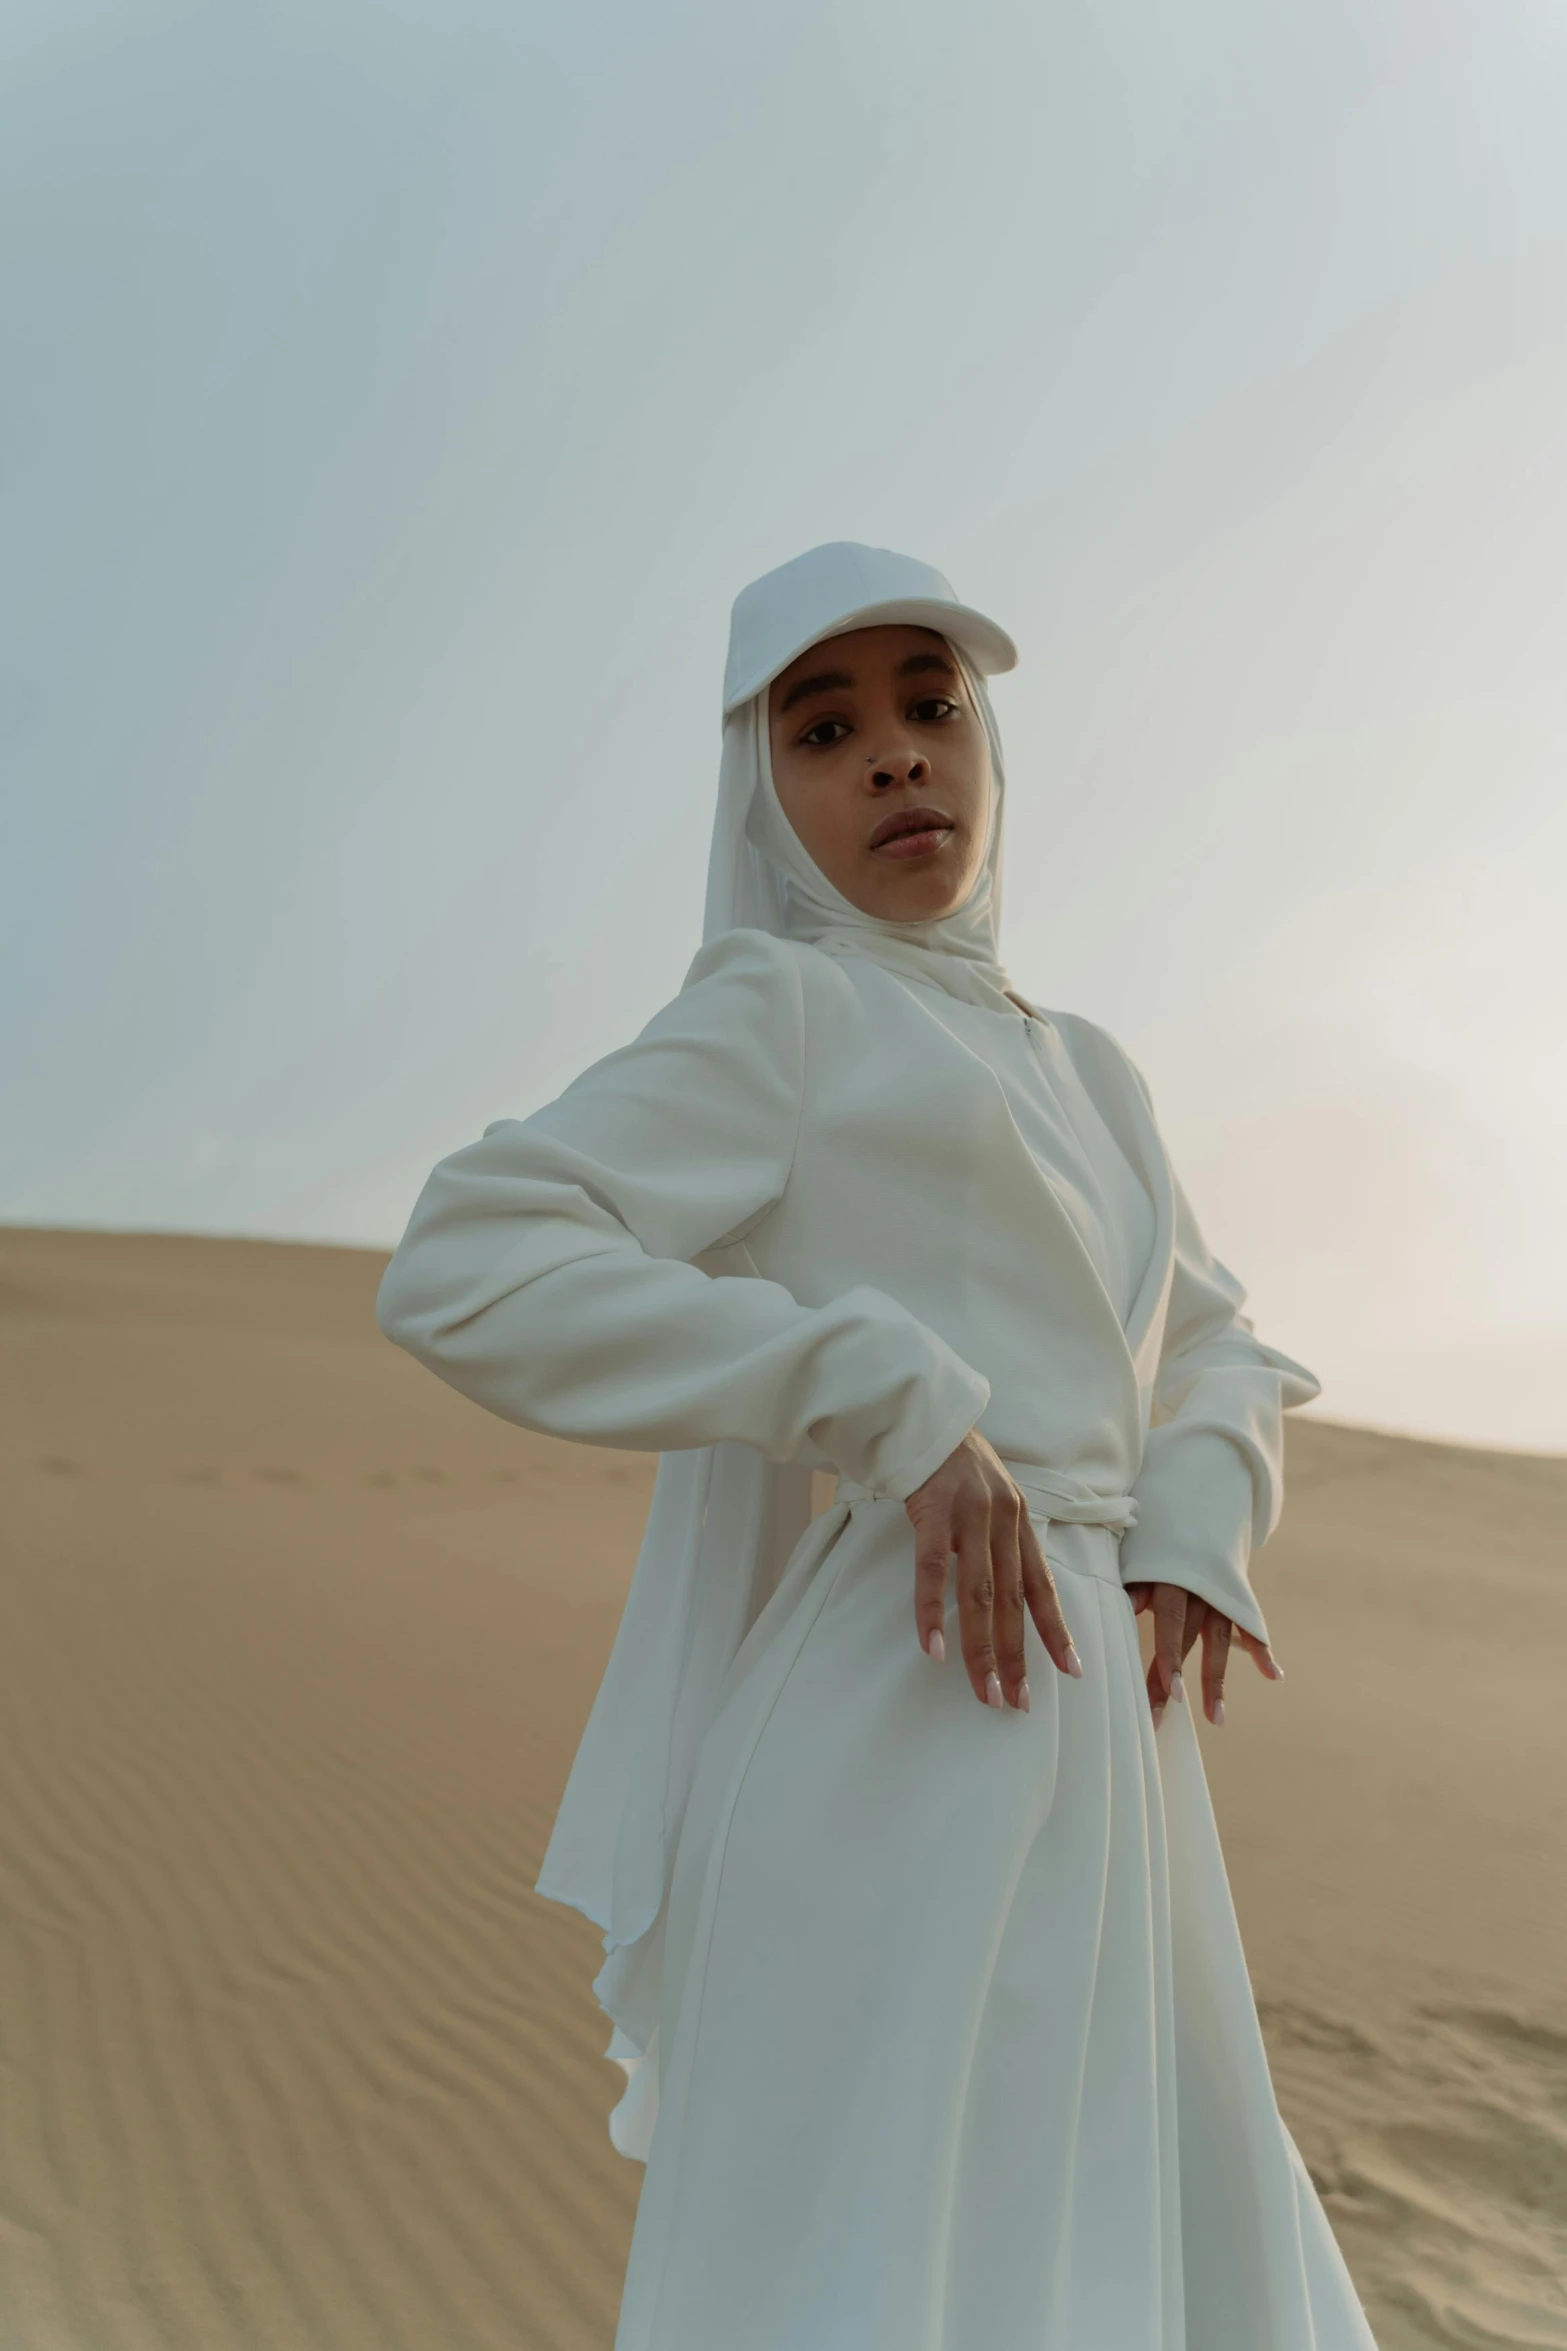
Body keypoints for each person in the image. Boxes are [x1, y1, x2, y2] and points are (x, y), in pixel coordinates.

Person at [376, 541, 1379, 2349]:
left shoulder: (1092, 1066)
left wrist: (1191, 1519)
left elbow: (1216, 1330)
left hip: (1116, 1762)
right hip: (895, 1719)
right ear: (763, 807)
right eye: (825, 730)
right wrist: (882, 1396)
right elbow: (467, 1256)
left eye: (933, 708)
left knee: (1129, 2259)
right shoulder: (784, 1010)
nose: (897, 757)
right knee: (880, 2267)